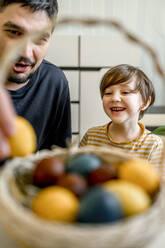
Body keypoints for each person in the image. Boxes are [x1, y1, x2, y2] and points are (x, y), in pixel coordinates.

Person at [0, 0, 71, 160]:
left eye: (40, 38)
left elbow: (57, 160)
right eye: (13, 32)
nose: (25, 52)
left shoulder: (54, 82)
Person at [80, 64, 164, 171]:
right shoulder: (91, 136)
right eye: (108, 93)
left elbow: (158, 184)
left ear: (144, 102)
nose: (115, 98)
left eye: (125, 92)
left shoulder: (153, 145)